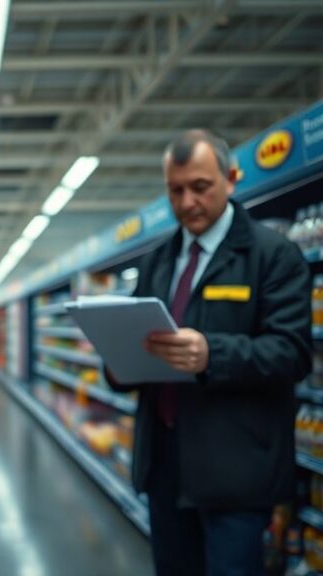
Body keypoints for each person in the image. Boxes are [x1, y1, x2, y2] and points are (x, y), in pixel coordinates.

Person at [108, 129, 312, 576]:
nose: (187, 202)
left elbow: (292, 353)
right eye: (175, 190)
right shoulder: (157, 261)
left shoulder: (273, 256)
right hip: (164, 467)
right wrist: (118, 363)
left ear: (231, 179)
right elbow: (136, 346)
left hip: (235, 472)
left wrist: (211, 354)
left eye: (200, 187)